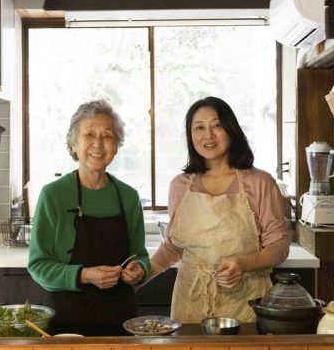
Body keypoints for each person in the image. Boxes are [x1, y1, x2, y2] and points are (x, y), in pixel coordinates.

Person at [150, 96, 290, 323]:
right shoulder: (180, 185)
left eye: (217, 125)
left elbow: (279, 245)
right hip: (190, 304)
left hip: (246, 304)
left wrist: (244, 264)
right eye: (199, 127)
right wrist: (141, 274)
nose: (208, 135)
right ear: (190, 135)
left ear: (231, 129)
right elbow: (174, 246)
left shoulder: (259, 182)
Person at [28, 100, 150, 336]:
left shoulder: (129, 196)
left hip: (121, 322)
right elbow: (38, 265)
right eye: (89, 134)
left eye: (107, 136)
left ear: (116, 146)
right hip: (67, 323)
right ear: (74, 144)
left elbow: (140, 255)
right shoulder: (53, 195)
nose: (98, 143)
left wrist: (139, 269)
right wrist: (83, 275)